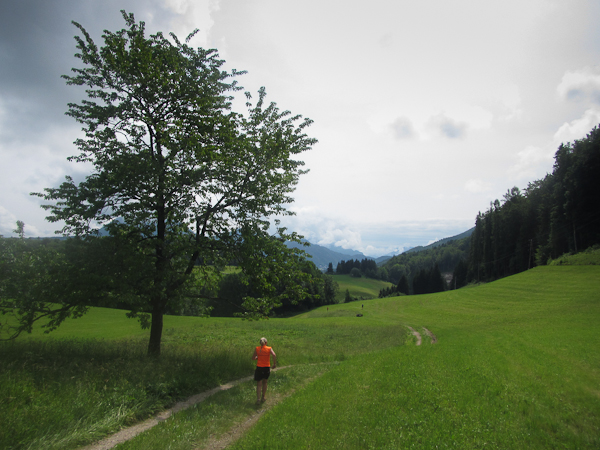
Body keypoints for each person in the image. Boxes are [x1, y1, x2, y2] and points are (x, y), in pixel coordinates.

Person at [252, 337, 277, 404]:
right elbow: (274, 354)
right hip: (266, 367)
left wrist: (257, 357)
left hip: (259, 367)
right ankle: (263, 397)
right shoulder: (269, 348)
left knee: (259, 384)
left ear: (260, 343)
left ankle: (258, 399)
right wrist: (274, 363)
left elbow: (253, 358)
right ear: (266, 343)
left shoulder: (257, 348)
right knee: (265, 382)